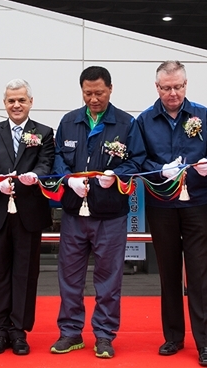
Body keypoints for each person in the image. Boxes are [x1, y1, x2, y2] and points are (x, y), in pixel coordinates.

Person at [50, 66, 146, 359]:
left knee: (109, 277)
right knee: (69, 276)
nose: (94, 99)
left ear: (111, 89)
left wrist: (116, 175)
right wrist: (69, 179)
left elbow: (138, 161)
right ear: (82, 91)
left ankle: (104, 334)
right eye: (88, 93)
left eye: (99, 93)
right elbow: (56, 160)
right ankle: (70, 332)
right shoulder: (69, 122)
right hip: (74, 214)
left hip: (110, 215)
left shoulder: (127, 124)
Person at [136, 60, 207, 366]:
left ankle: (205, 344)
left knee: (200, 276)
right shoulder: (145, 120)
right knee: (169, 273)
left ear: (186, 85)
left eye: (177, 87)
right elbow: (137, 161)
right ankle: (173, 336)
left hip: (196, 203)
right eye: (166, 88)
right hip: (161, 204)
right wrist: (158, 169)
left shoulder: (203, 115)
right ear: (157, 87)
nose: (172, 93)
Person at [0, 79, 54, 355]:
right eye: (11, 100)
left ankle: (19, 331)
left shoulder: (44, 133)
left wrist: (35, 176)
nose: (16, 105)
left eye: (21, 100)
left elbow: (47, 163)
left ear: (31, 102)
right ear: (4, 103)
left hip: (29, 213)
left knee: (25, 274)